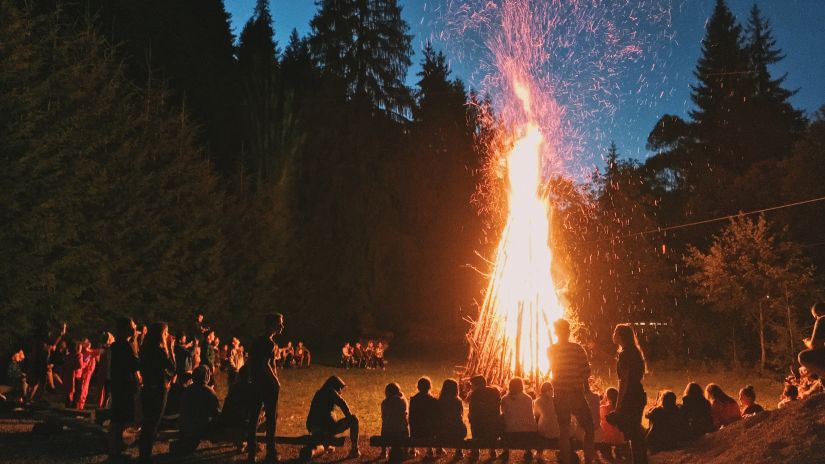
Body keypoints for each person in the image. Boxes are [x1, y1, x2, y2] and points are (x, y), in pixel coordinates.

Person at [549, 319, 595, 464]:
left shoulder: (551, 350)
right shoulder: (577, 349)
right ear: (568, 331)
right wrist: (579, 379)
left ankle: (566, 460)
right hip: (575, 393)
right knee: (589, 428)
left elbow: (555, 370)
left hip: (559, 394)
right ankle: (588, 460)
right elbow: (586, 371)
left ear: (556, 332)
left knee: (564, 429)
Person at [605, 323, 648, 464]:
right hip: (639, 393)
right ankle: (641, 460)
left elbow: (624, 381)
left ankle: (639, 460)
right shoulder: (634, 352)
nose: (613, 335)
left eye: (615, 333)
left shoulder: (624, 354)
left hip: (630, 396)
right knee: (635, 431)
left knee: (633, 432)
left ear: (621, 336)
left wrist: (618, 405)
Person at [247, 313, 285, 463]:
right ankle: (271, 453)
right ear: (272, 325)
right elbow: (266, 364)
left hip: (256, 383)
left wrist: (251, 377)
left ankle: (251, 453)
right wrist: (276, 381)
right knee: (271, 419)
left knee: (254, 417)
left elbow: (250, 361)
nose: (282, 326)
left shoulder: (256, 341)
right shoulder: (270, 344)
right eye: (280, 323)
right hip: (268, 385)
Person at [138, 322, 176, 464]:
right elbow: (173, 367)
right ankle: (146, 457)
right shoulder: (160, 351)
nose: (167, 336)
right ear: (161, 334)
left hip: (147, 388)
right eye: (166, 333)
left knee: (147, 422)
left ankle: (144, 454)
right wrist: (170, 348)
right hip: (159, 390)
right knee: (153, 424)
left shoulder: (145, 349)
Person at [108, 317, 140, 461]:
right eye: (133, 326)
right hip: (124, 386)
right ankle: (116, 450)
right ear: (127, 328)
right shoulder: (125, 346)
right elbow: (135, 364)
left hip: (118, 386)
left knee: (118, 418)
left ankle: (115, 449)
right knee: (121, 418)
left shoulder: (116, 345)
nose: (135, 328)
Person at [306, 375, 360, 458]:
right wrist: (349, 417)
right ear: (335, 386)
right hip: (327, 428)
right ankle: (354, 450)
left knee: (329, 421)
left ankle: (325, 445)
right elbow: (342, 403)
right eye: (340, 389)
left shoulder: (319, 392)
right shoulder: (330, 391)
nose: (340, 392)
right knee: (354, 420)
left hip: (314, 427)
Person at [177, 365, 221, 454]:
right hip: (201, 426)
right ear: (206, 376)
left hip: (186, 424)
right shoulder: (209, 392)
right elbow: (216, 412)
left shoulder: (187, 390)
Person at [27, 321, 66, 403]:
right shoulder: (42, 345)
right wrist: (60, 335)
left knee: (39, 384)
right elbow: (52, 347)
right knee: (38, 384)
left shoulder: (41, 344)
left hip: (40, 366)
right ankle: (30, 400)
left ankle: (32, 399)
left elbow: (53, 346)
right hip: (40, 366)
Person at [501, 377, 537, 461]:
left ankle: (505, 450)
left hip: (511, 435)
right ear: (522, 386)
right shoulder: (528, 398)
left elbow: (504, 413)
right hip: (529, 435)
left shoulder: (505, 399)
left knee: (502, 418)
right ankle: (528, 451)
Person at [220, 365, 253, 452]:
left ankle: (241, 443)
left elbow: (228, 405)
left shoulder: (233, 387)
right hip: (243, 422)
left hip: (233, 420)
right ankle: (248, 443)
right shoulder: (251, 388)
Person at [468, 375, 501, 460]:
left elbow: (472, 413)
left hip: (479, 430)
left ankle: (475, 450)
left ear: (477, 385)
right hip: (493, 429)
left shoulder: (475, 394)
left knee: (473, 419)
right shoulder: (494, 391)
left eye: (472, 385)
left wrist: (470, 418)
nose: (471, 387)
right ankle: (492, 450)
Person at [437, 378, 467, 459]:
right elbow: (460, 416)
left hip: (443, 431)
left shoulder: (440, 401)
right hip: (456, 431)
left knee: (439, 425)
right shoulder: (458, 401)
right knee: (461, 425)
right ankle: (459, 450)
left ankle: (439, 449)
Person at [409, 376, 439, 457]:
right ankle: (429, 449)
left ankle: (413, 449)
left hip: (416, 432)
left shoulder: (414, 400)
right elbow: (436, 418)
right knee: (431, 423)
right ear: (429, 387)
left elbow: (411, 418)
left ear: (418, 387)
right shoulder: (433, 400)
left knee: (415, 422)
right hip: (429, 432)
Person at [380, 382, 409, 460]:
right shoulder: (403, 401)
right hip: (401, 433)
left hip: (387, 433)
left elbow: (384, 418)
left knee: (384, 425)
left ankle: (383, 451)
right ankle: (406, 451)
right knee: (406, 425)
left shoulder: (384, 403)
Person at [533, 381, 559, 461]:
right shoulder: (557, 400)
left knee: (538, 422)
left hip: (544, 432)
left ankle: (539, 452)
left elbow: (536, 416)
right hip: (557, 431)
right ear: (552, 390)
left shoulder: (538, 401)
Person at [799, 302, 825, 377]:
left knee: (803, 356)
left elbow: (815, 346)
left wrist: (807, 341)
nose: (816, 319)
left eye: (815, 317)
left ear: (819, 313)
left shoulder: (822, 320)